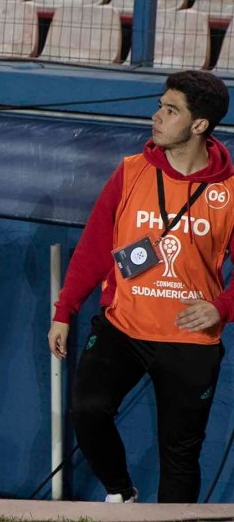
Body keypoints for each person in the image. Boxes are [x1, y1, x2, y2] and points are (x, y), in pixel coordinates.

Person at [50, 70, 233, 503]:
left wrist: (223, 307)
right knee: (88, 410)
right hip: (123, 328)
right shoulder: (132, 171)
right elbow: (95, 247)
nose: (157, 117)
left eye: (171, 111)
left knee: (180, 456)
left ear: (200, 125)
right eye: (160, 105)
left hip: (189, 340)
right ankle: (121, 492)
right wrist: (64, 311)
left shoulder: (229, 191)